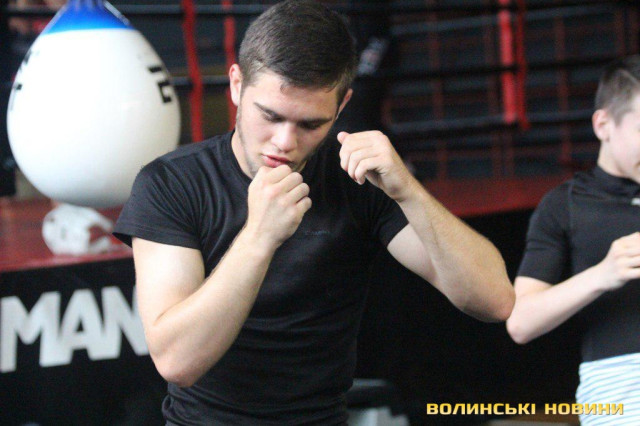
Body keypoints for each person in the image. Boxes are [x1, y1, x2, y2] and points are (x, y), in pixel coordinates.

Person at [113, 1, 514, 424]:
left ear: (341, 108)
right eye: (270, 116)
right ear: (236, 85)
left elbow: (496, 302)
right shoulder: (172, 184)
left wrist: (409, 192)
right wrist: (259, 237)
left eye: (310, 124)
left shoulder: (356, 178)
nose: (284, 142)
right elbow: (177, 361)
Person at [506, 55, 640, 425]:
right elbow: (520, 322)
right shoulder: (566, 205)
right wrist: (603, 274)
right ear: (604, 124)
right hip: (620, 390)